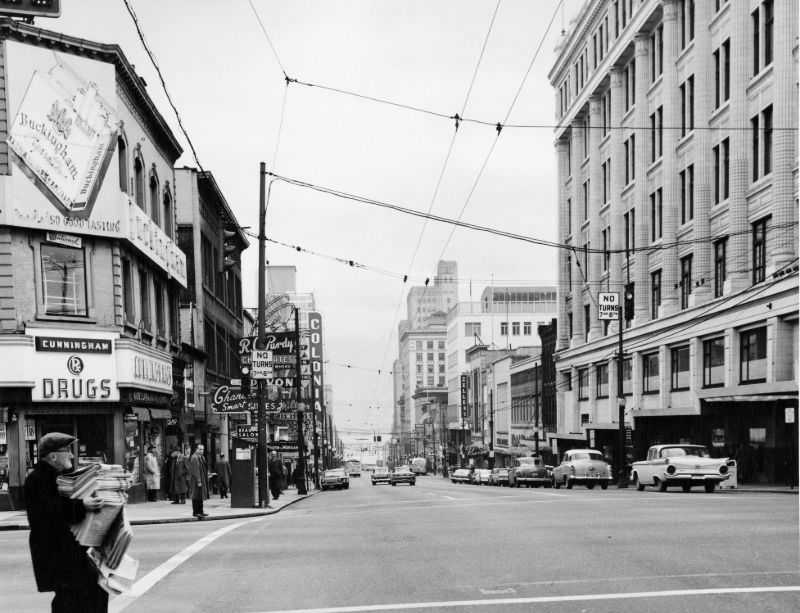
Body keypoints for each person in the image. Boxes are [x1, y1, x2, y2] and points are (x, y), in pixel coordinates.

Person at [25, 432, 107, 613]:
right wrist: (81, 506)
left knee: (96, 593)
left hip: (75, 552)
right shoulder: (37, 479)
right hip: (57, 555)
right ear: (53, 456)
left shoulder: (67, 476)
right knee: (70, 599)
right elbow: (46, 513)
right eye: (67, 450)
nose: (72, 455)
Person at [189, 444, 209, 518]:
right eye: (200, 449)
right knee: (196, 496)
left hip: (202, 478)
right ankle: (196, 512)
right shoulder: (194, 457)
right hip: (196, 480)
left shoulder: (201, 457)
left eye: (203, 449)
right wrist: (198, 481)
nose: (202, 451)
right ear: (196, 449)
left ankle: (201, 511)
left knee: (200, 496)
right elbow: (195, 470)